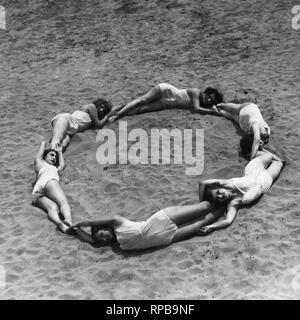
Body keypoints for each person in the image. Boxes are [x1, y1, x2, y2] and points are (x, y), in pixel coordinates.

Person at [67, 201, 225, 250]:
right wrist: (76, 231)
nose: (103, 239)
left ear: (106, 227)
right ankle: (230, 205)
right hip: (168, 238)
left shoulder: (117, 222)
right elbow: (92, 241)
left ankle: (228, 192)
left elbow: (92, 222)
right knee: (202, 223)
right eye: (102, 240)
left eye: (102, 234)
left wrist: (78, 224)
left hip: (160, 220)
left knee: (204, 208)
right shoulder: (119, 245)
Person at [198, 150, 285, 234]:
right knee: (279, 163)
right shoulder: (234, 203)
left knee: (270, 155)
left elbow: (202, 183)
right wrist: (211, 226)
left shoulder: (227, 183)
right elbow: (228, 221)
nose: (221, 196)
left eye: (218, 192)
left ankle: (258, 151)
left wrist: (201, 202)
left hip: (253, 170)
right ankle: (258, 152)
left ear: (219, 187)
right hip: (264, 179)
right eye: (218, 198)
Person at [107, 83, 223, 122]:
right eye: (208, 96)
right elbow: (197, 109)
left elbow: (203, 108)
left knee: (142, 109)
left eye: (210, 100)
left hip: (167, 103)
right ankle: (117, 115)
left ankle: (118, 109)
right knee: (142, 100)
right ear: (206, 92)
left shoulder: (202, 102)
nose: (207, 99)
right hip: (166, 91)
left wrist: (214, 107)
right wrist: (214, 112)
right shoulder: (196, 92)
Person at [32, 141, 72, 233]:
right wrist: (43, 142)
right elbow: (39, 154)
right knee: (63, 203)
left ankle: (60, 224)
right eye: (51, 155)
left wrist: (59, 152)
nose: (54, 157)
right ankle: (68, 220)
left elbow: (62, 165)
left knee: (53, 207)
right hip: (49, 181)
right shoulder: (40, 163)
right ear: (44, 157)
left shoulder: (49, 167)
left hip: (38, 191)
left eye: (55, 156)